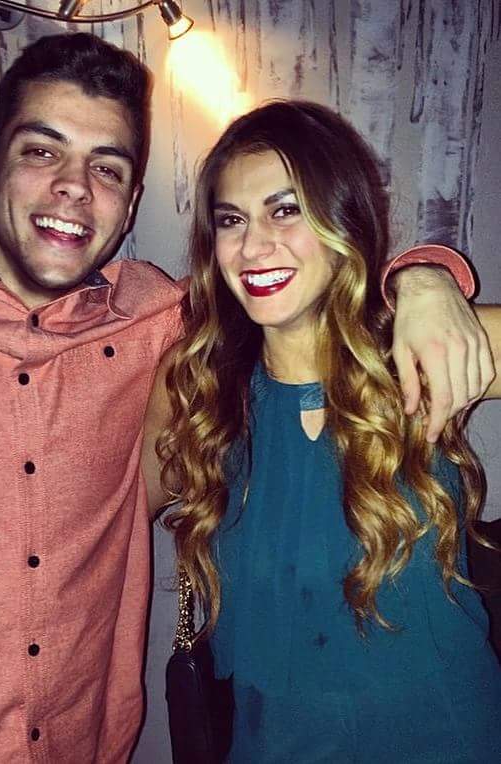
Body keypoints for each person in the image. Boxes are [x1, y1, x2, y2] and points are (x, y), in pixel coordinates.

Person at [0, 32, 496, 763]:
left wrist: (425, 275)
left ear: (131, 202)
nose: (74, 186)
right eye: (41, 151)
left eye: (106, 167)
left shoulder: (173, 333)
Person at [144, 100, 501, 762]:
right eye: (231, 220)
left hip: (446, 738)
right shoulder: (198, 387)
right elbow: (105, 520)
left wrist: (426, 275)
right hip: (272, 745)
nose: (254, 246)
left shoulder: (416, 353)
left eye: (286, 210)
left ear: (342, 221)